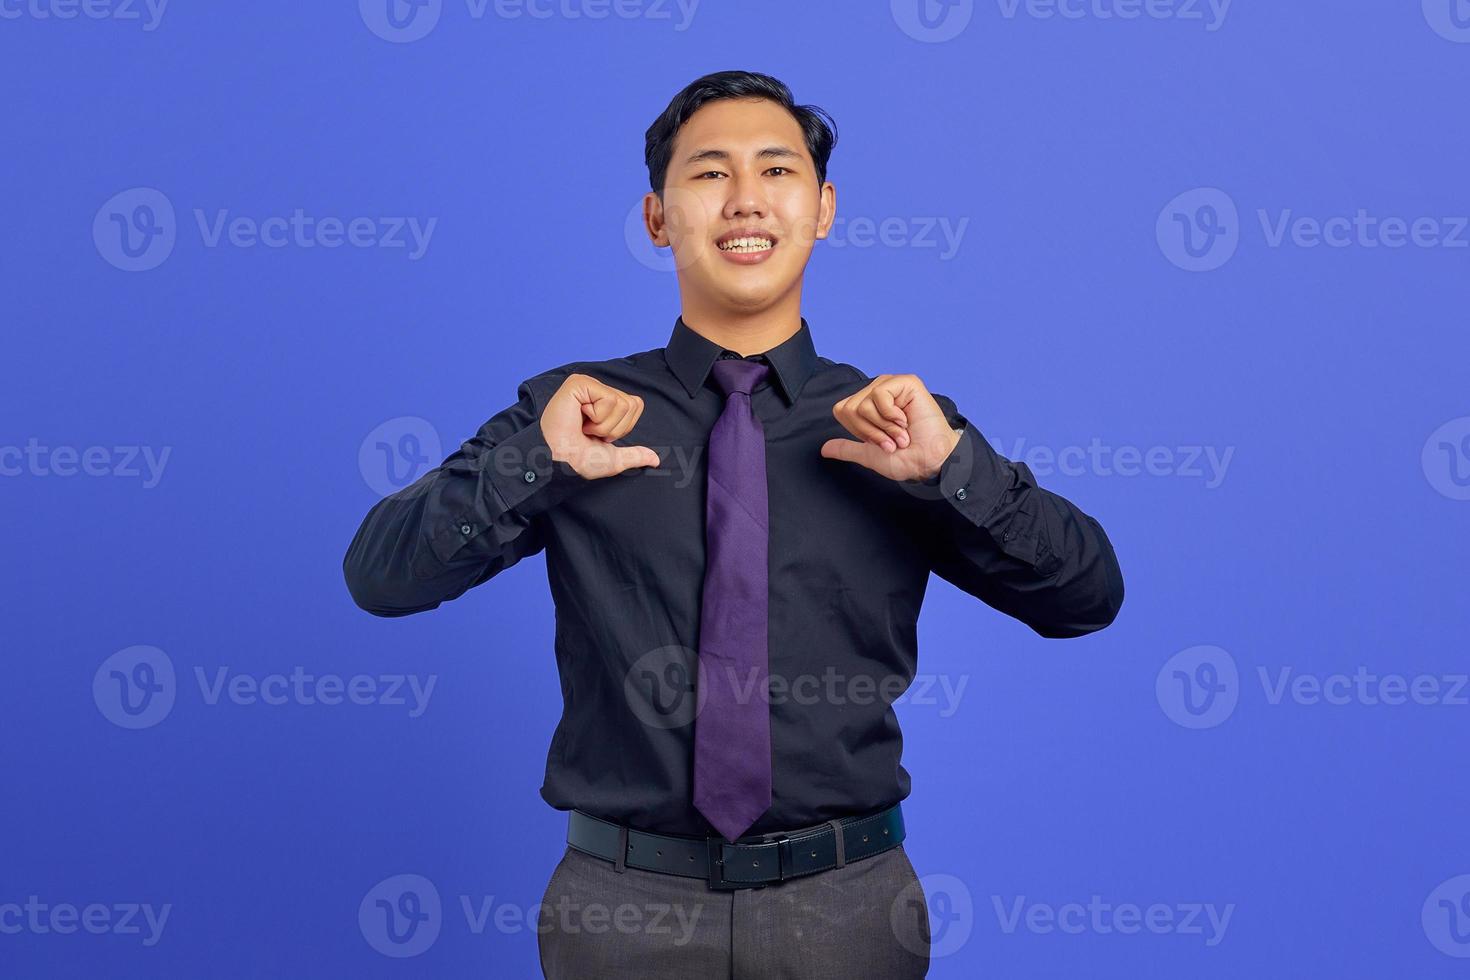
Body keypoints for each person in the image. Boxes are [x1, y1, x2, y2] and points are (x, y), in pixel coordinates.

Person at [342, 69, 1124, 979]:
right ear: (656, 217)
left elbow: (1087, 597)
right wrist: (538, 464)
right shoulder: (575, 412)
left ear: (822, 209)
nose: (746, 199)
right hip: (622, 908)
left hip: (849, 907)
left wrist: (957, 471)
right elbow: (380, 578)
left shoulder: (896, 423)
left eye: (776, 171)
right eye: (710, 174)